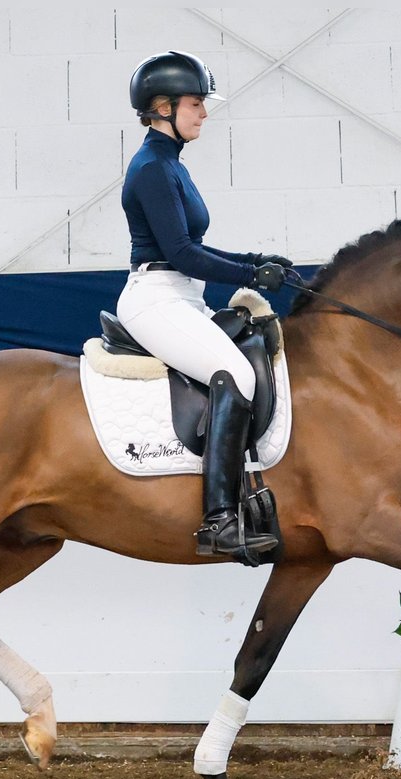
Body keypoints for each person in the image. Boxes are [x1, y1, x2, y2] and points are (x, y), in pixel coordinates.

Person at [118, 50, 290, 562]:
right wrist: (247, 273)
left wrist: (258, 260)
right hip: (155, 297)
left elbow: (195, 250)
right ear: (162, 106)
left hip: (182, 295)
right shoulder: (151, 168)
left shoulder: (171, 163)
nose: (204, 113)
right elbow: (181, 252)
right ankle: (218, 520)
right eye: (196, 104)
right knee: (234, 374)